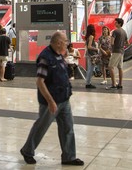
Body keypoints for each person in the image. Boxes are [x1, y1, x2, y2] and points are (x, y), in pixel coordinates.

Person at [19, 31, 84, 166]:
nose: (67, 44)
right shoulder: (45, 58)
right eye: (65, 41)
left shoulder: (59, 55)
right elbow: (40, 82)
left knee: (67, 128)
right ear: (58, 42)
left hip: (64, 100)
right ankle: (27, 150)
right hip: (51, 102)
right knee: (41, 127)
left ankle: (69, 157)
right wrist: (50, 101)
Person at [107, 18, 128, 90]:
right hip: (122, 51)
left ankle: (113, 84)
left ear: (119, 24)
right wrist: (121, 44)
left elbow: (112, 43)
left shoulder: (115, 32)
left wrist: (112, 47)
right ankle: (120, 84)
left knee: (110, 67)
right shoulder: (124, 32)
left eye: (116, 23)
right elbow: (127, 43)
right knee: (120, 68)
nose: (114, 24)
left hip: (116, 51)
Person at [84, 24, 98, 89]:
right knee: (90, 69)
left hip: (89, 54)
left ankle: (88, 82)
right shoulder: (91, 36)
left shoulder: (87, 37)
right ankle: (88, 83)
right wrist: (96, 49)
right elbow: (89, 46)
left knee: (90, 69)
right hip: (92, 54)